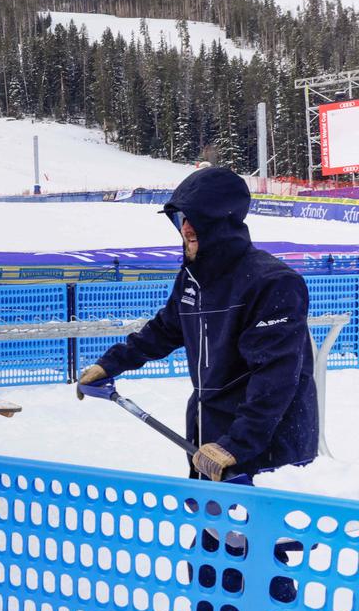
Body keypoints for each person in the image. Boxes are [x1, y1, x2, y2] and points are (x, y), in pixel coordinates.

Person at [77, 167, 317, 483]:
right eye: (180, 219)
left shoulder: (272, 283)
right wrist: (111, 363)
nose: (185, 228)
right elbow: (166, 329)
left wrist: (238, 445)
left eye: (195, 220)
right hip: (213, 435)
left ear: (220, 224)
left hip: (266, 449)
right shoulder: (194, 277)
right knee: (216, 527)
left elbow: (275, 376)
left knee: (256, 530)